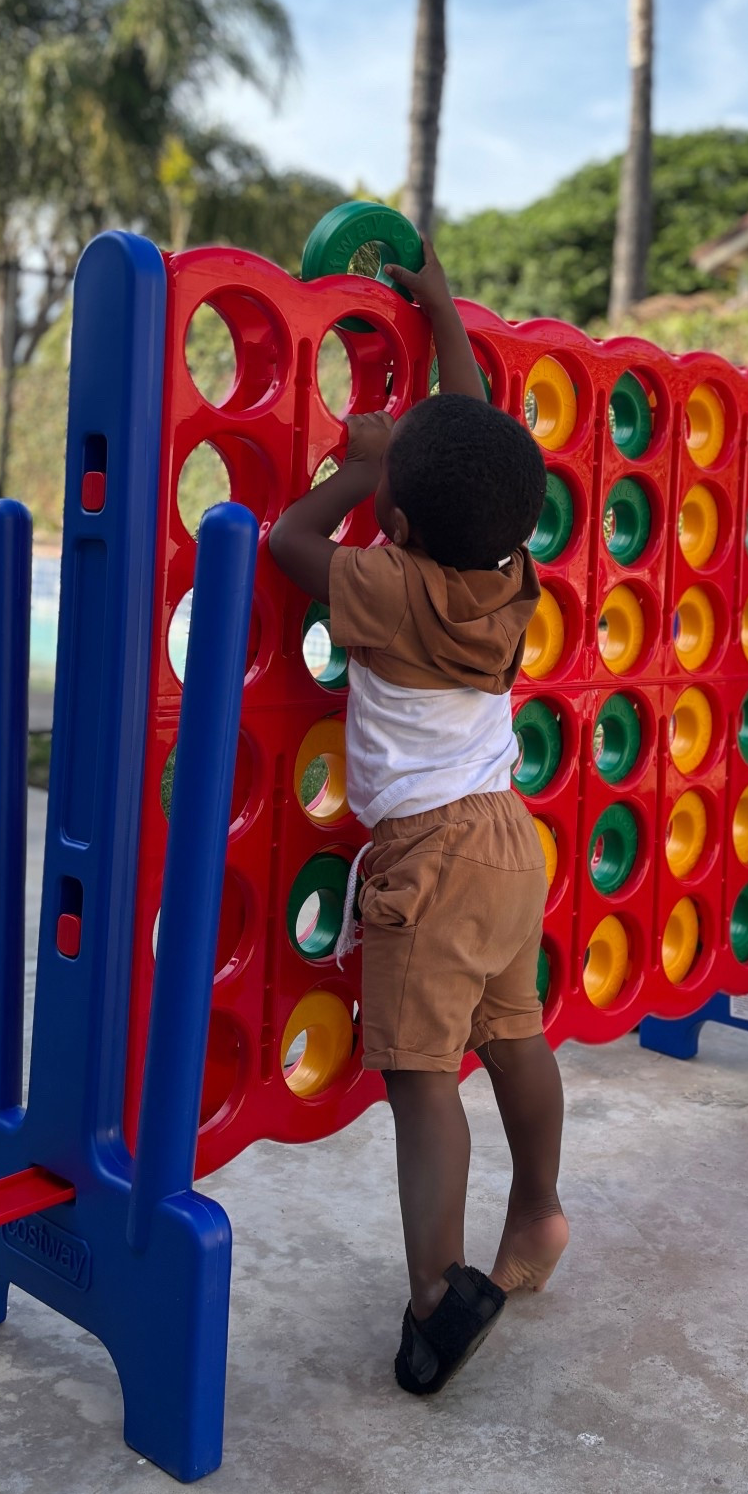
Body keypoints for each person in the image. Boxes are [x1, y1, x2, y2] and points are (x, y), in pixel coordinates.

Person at [267, 238, 569, 1396]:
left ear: (396, 519)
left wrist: (356, 469)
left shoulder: (385, 585)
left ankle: (439, 1295)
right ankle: (537, 1212)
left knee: (421, 1075)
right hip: (505, 837)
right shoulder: (507, 570)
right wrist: (440, 308)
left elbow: (291, 543)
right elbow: (474, 435)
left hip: (430, 865)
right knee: (514, 1034)